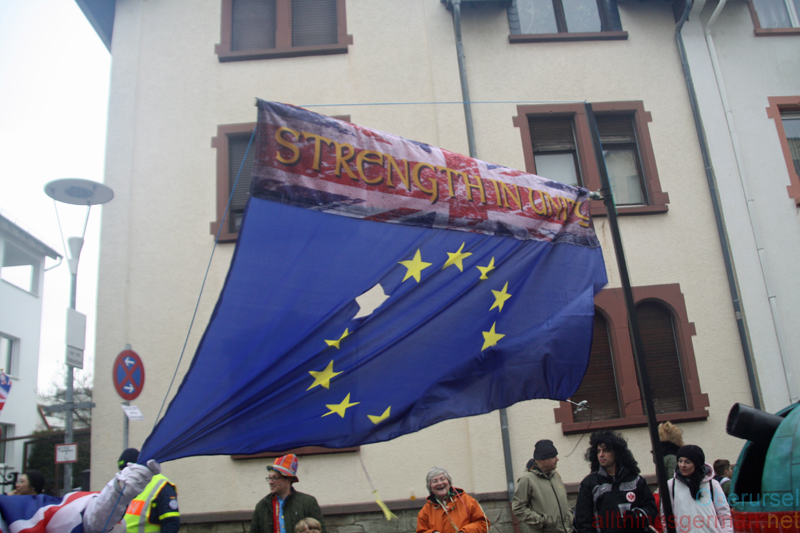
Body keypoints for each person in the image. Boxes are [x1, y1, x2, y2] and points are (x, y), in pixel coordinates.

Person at [0, 459, 161, 533]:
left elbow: (86, 517)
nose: (17, 485)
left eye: (22, 481)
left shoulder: (17, 509)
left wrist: (117, 492)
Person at [574, 431, 656, 533]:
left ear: (616, 452)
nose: (601, 455)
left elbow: (651, 509)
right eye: (598, 451)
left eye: (606, 450)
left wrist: (637, 516)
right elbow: (583, 521)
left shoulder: (635, 480)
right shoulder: (589, 483)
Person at [661, 445, 732, 533]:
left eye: (687, 462)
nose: (682, 465)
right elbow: (665, 517)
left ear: (697, 463)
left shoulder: (712, 484)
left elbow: (724, 514)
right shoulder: (671, 485)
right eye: (680, 461)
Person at [251, 454, 326, 533]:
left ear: (288, 479)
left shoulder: (308, 502)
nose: (270, 482)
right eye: (269, 478)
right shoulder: (262, 505)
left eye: (275, 477)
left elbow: (321, 530)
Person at [512, 439, 573, 533]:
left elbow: (563, 500)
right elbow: (518, 507)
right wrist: (542, 522)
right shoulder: (527, 479)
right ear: (542, 460)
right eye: (553, 457)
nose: (557, 459)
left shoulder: (555, 475)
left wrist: (570, 515)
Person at [118, 448, 180, 533]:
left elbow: (171, 523)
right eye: (122, 471)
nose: (124, 474)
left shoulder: (161, 485)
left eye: (127, 470)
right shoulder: (123, 486)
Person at [417, 467, 489, 533]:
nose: (439, 483)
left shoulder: (468, 501)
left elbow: (483, 524)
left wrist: (466, 531)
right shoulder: (425, 512)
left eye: (442, 479)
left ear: (449, 482)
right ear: (430, 487)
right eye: (435, 481)